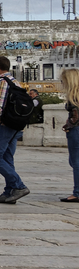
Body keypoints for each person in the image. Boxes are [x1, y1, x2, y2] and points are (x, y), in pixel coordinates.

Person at [0, 55, 29, 204]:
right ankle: (9, 192)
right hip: (15, 125)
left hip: (4, 126)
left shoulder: (2, 82)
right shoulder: (15, 81)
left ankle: (19, 186)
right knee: (7, 158)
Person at [60, 69, 79, 203]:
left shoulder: (74, 97)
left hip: (76, 131)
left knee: (76, 161)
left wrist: (69, 125)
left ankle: (77, 192)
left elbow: (75, 117)